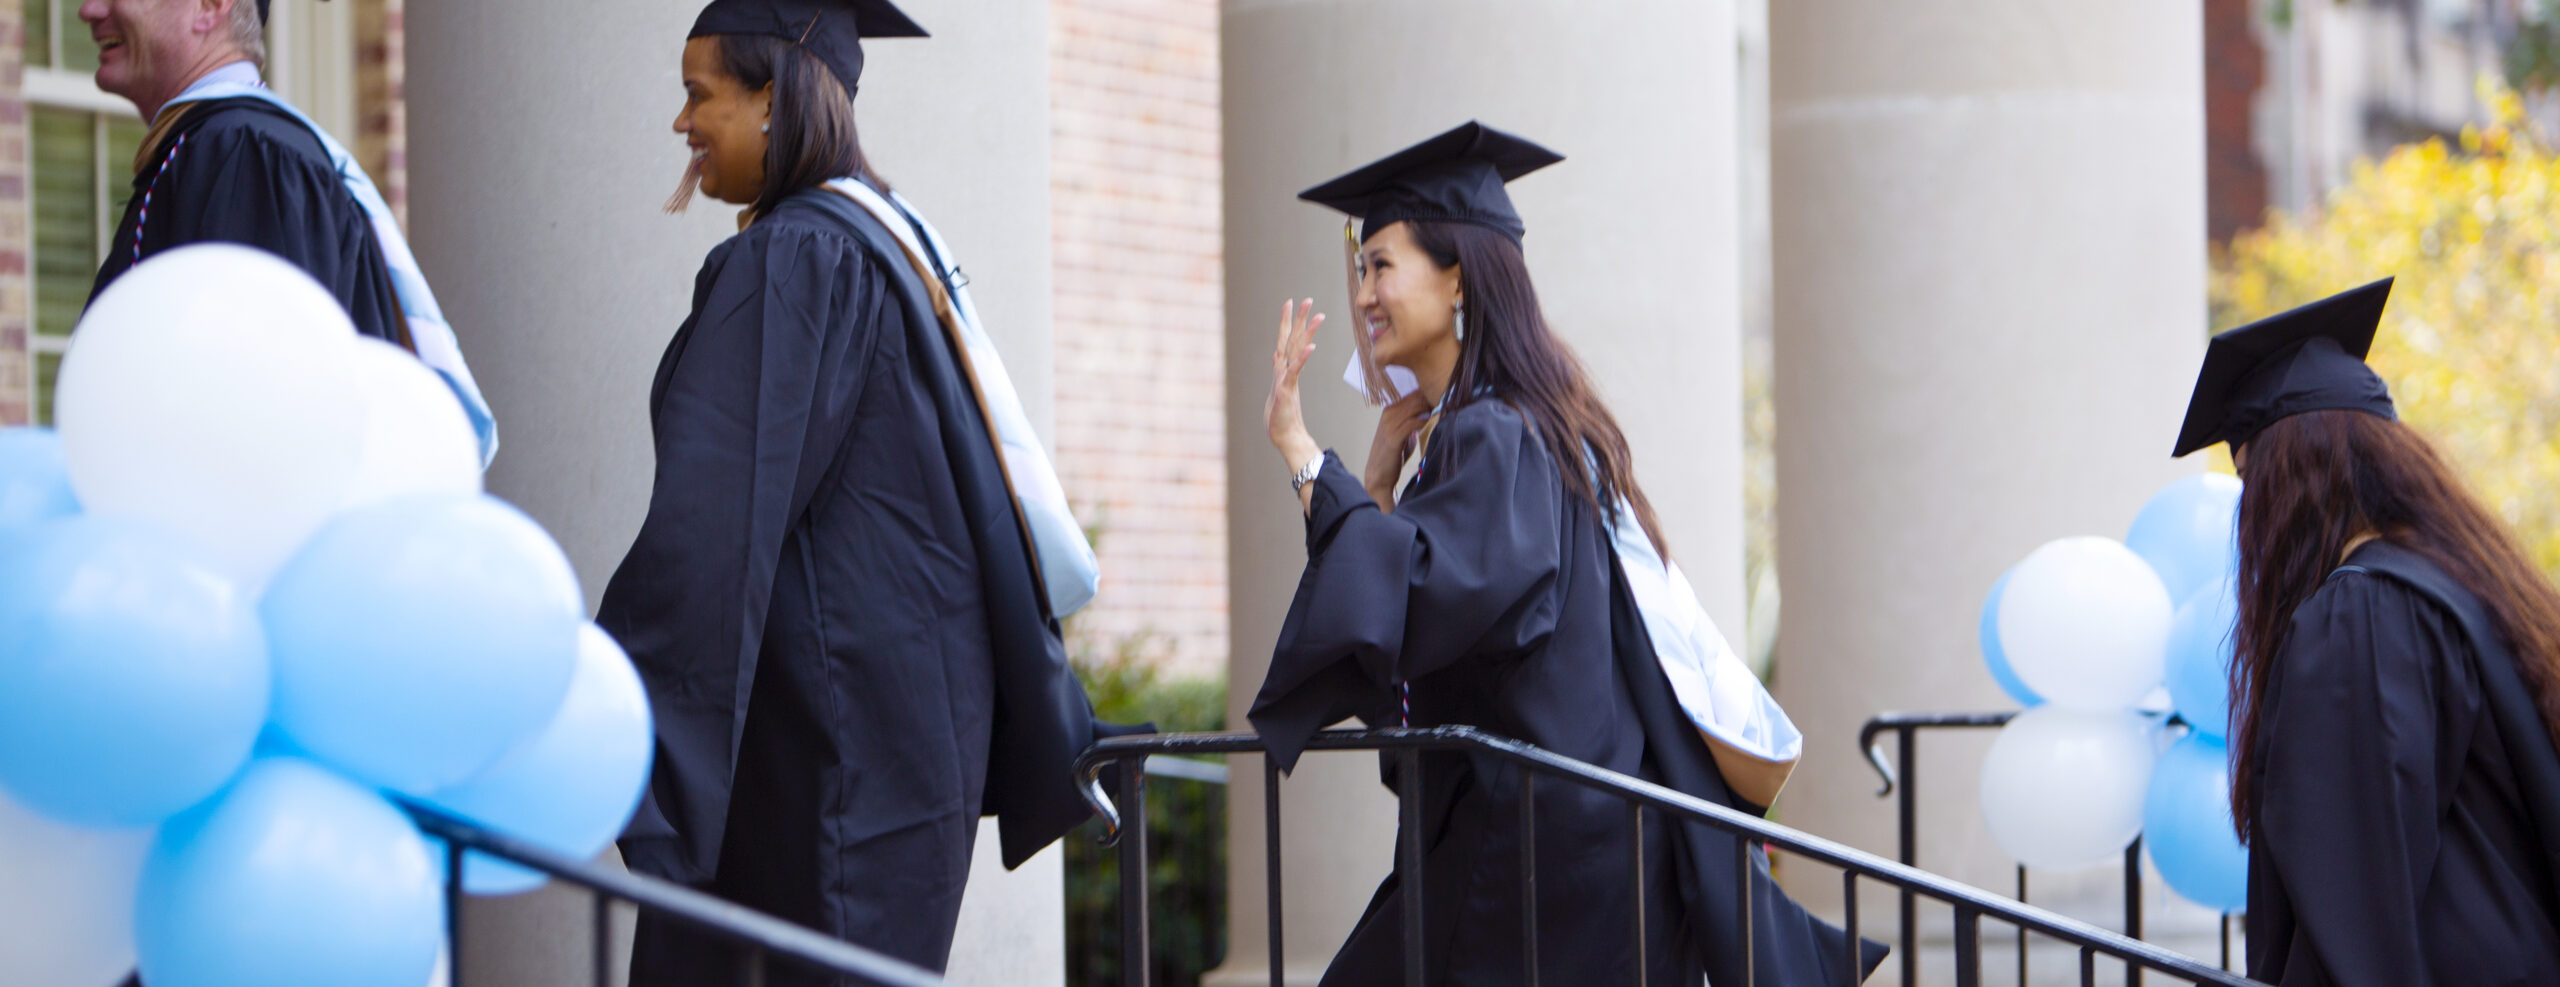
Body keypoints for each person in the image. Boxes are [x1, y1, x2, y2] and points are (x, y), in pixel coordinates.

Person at [1255, 121, 1884, 986]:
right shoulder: (1519, 424)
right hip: (1561, 849)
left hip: (1541, 864)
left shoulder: (1494, 433)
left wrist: (1303, 456)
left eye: (1383, 264)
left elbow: (1426, 596)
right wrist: (1371, 484)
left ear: (1459, 277)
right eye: (1361, 268)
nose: (1365, 292)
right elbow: (1421, 624)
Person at [600, 1, 1125, 982]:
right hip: (898, 748)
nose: (680, 124)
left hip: (824, 756)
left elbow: (713, 524)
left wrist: (609, 712)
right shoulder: (894, 249)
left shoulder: (795, 257)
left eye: (696, 94)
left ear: (771, 100)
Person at [2172, 278, 2560, 986]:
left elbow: (2351, 913)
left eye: (2256, 483)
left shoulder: (2363, 618)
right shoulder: (2473, 589)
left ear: (2295, 482)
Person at [80, 0, 496, 461]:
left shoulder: (244, 156)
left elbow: (255, 426)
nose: (90, 9)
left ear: (209, 5)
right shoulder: (214, 148)